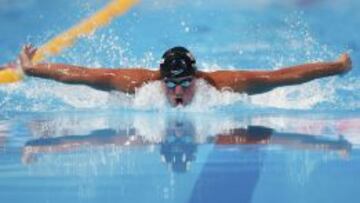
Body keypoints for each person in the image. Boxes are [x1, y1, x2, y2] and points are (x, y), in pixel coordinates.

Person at [17, 45, 352, 107]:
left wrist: (338, 67)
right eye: (171, 84)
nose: (177, 92)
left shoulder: (223, 86)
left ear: (196, 77)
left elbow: (283, 76)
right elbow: (79, 75)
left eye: (184, 84)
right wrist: (33, 70)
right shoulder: (138, 84)